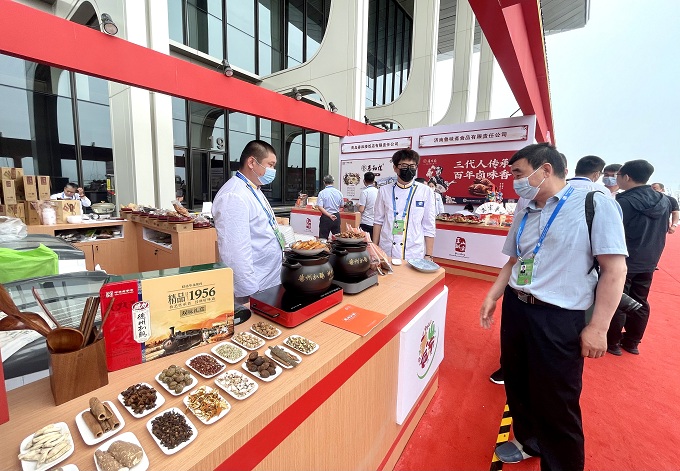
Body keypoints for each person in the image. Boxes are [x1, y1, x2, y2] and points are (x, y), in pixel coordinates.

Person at [479, 143, 627, 469]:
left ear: (545, 169)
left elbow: (615, 270)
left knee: (557, 399)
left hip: (559, 317)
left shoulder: (594, 203)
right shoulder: (525, 208)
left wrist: (599, 327)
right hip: (518, 308)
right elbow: (514, 261)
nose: (515, 181)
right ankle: (529, 440)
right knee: (518, 382)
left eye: (518, 173)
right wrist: (493, 295)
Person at [606, 160, 671, 356]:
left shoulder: (624, 202)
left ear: (626, 177)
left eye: (617, 176)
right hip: (649, 260)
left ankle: (612, 341)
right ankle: (633, 341)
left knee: (617, 298)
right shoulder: (664, 201)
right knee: (640, 299)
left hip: (624, 259)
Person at [212, 140, 284, 303]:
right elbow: (235, 253)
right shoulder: (234, 195)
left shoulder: (253, 188)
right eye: (270, 165)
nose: (273, 171)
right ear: (252, 162)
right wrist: (250, 293)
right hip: (255, 288)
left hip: (269, 280)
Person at [373, 149, 436, 260]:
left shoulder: (425, 191)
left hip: (413, 250)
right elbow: (378, 221)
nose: (408, 169)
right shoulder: (384, 190)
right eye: (404, 166)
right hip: (387, 248)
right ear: (395, 168)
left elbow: (429, 225)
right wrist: (374, 249)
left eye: (412, 166)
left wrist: (429, 255)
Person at [316, 175, 344, 239]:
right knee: (337, 237)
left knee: (323, 238)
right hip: (336, 216)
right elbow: (342, 205)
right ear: (333, 182)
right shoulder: (339, 192)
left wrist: (329, 215)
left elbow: (320, 207)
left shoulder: (322, 193)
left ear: (324, 182)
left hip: (326, 216)